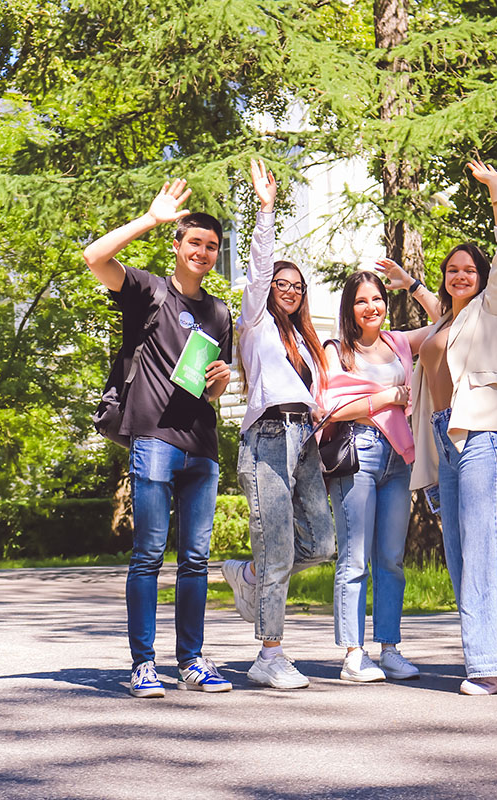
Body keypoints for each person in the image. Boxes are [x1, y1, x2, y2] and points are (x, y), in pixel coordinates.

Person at [82, 179, 234, 698]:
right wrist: (151, 217)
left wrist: (221, 383)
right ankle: (143, 664)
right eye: (195, 243)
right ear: (178, 245)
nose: (204, 253)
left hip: (202, 446)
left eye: (212, 246)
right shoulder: (148, 291)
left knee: (195, 559)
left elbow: (211, 385)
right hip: (153, 437)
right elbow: (93, 256)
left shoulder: (218, 313)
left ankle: (192, 661)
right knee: (148, 553)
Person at [410, 160, 497, 695]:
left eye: (470, 270)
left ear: (482, 280)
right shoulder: (443, 323)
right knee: (461, 552)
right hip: (445, 438)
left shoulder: (490, 308)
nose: (461, 275)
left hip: (484, 434)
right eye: (452, 269)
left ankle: (492, 664)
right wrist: (409, 285)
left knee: (482, 545)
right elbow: (430, 334)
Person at [222, 158, 336, 689]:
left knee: (320, 544)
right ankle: (269, 654)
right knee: (279, 549)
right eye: (281, 283)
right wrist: (266, 209)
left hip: (304, 440)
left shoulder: (306, 342)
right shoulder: (254, 321)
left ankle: (246, 575)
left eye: (297, 285)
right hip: (267, 435)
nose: (288, 288)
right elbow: (260, 266)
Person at [319, 265, 441, 682]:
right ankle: (354, 653)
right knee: (354, 558)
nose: (371, 307)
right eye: (361, 301)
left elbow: (449, 317)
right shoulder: (336, 350)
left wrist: (412, 284)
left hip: (397, 456)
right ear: (349, 308)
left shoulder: (400, 343)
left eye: (376, 299)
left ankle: (389, 648)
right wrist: (386, 397)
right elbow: (331, 410)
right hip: (358, 452)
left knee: (390, 559)